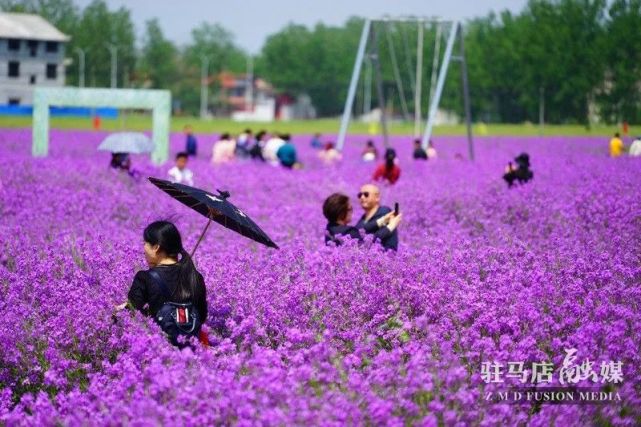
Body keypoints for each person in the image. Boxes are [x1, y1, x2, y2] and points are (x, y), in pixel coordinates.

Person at [122, 221, 207, 347]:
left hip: (158, 352)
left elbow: (133, 314)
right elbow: (202, 315)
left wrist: (123, 309)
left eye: (145, 243)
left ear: (156, 247)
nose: (143, 248)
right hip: (192, 352)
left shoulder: (144, 278)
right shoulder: (196, 277)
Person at [323, 192, 400, 247]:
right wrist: (391, 226)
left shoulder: (329, 228)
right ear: (341, 212)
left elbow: (360, 229)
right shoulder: (348, 232)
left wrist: (382, 220)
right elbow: (369, 240)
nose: (352, 212)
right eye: (350, 208)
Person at [355, 184, 402, 251]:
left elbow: (374, 238)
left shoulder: (384, 212)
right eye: (359, 195)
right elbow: (356, 233)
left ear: (377, 197)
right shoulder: (363, 218)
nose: (362, 197)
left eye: (366, 194)